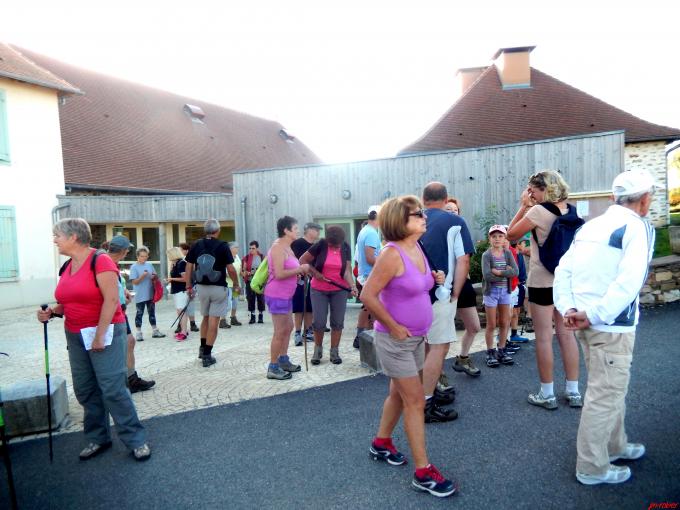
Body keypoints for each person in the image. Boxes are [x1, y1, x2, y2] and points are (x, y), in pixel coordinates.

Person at [554, 170, 656, 485]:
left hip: (587, 320)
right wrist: (594, 314)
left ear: (613, 198)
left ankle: (615, 445)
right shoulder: (637, 226)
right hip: (610, 325)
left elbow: (564, 270)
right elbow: (630, 281)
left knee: (609, 390)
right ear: (645, 200)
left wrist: (569, 308)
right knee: (605, 394)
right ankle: (591, 467)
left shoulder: (592, 225)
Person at [361, 196, 455, 498]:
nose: (424, 217)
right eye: (418, 214)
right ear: (401, 221)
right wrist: (393, 325)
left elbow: (418, 284)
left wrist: (434, 278)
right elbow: (367, 295)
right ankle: (423, 472)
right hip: (396, 340)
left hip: (416, 337)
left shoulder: (417, 248)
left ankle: (381, 443)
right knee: (415, 401)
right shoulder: (391, 253)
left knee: (397, 395)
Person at [37, 218, 150, 461]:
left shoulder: (101, 261)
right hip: (75, 335)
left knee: (112, 389)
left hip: (105, 332)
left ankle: (135, 440)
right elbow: (68, 301)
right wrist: (52, 312)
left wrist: (99, 335)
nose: (54, 240)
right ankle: (98, 437)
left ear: (73, 237)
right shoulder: (67, 266)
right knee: (86, 389)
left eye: (57, 235)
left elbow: (111, 300)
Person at [507, 170, 581, 410]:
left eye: (533, 190)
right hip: (566, 281)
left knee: (543, 337)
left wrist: (523, 207)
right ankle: (573, 391)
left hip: (543, 281)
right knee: (566, 334)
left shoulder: (538, 211)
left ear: (542, 189)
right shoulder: (571, 210)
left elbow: (511, 234)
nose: (531, 195)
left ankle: (547, 393)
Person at [420, 182, 475, 423]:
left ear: (424, 199)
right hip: (440, 291)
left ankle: (423, 393)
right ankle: (426, 401)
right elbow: (463, 260)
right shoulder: (456, 222)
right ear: (445, 199)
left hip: (414, 292)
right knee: (439, 345)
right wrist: (455, 292)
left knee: (424, 344)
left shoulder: (412, 219)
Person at [184, 219, 240, 368]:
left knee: (205, 318)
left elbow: (189, 266)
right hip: (218, 288)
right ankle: (207, 355)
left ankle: (202, 348)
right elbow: (231, 269)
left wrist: (189, 286)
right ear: (218, 231)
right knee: (214, 321)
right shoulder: (223, 246)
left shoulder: (196, 244)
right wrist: (236, 283)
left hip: (201, 287)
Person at [300, 226, 358, 365]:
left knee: (338, 322)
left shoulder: (345, 247)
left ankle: (334, 351)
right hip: (318, 289)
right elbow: (303, 260)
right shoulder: (320, 245)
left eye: (337, 244)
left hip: (339, 290)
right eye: (333, 244)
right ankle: (317, 350)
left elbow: (347, 271)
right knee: (319, 321)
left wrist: (352, 286)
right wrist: (315, 273)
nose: (336, 246)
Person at [105, 236, 156, 393]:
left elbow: (117, 284)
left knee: (129, 342)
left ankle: (130, 378)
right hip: (112, 311)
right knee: (118, 346)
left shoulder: (113, 264)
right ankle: (122, 380)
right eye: (127, 249)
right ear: (122, 250)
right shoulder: (105, 263)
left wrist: (124, 292)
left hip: (120, 309)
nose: (128, 252)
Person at [264, 216, 310, 380]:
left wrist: (299, 273)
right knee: (280, 331)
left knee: (288, 327)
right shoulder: (278, 248)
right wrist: (300, 270)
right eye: (295, 228)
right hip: (277, 295)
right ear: (286, 230)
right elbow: (279, 274)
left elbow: (288, 270)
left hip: (286, 295)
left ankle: (283, 360)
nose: (298, 231)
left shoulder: (288, 247)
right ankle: (273, 366)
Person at [444, 198, 482, 380]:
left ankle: (463, 358)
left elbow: (465, 259)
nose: (452, 212)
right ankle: (437, 373)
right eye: (448, 209)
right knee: (442, 334)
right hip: (442, 285)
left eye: (455, 210)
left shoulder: (461, 230)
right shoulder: (434, 231)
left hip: (463, 283)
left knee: (474, 326)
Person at [481, 225, 518, 367]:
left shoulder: (507, 254)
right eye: (494, 236)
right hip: (491, 293)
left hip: (505, 293)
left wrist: (499, 273)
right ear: (490, 239)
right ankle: (490, 352)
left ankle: (501, 349)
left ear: (505, 239)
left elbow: (515, 271)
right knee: (491, 324)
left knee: (504, 322)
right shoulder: (487, 255)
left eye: (500, 236)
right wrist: (505, 272)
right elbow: (487, 276)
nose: (497, 239)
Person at [353, 206, 381, 349]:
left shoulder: (366, 231)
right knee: (372, 308)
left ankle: (365, 336)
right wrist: (387, 264)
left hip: (367, 274)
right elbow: (370, 258)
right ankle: (363, 336)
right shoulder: (371, 233)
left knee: (369, 307)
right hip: (371, 275)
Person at [291, 222, 321, 345]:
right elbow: (292, 260)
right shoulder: (297, 243)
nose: (318, 232)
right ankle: (297, 332)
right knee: (299, 307)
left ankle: (308, 331)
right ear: (308, 230)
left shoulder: (315, 245)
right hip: (299, 280)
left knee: (310, 306)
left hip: (313, 280)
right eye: (316, 230)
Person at [129, 246, 165, 341]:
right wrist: (143, 276)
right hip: (140, 294)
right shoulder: (134, 267)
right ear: (137, 256)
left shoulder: (149, 265)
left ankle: (155, 331)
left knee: (152, 313)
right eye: (142, 256)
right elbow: (134, 282)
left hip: (150, 293)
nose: (144, 258)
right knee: (139, 313)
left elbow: (155, 276)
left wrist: (154, 276)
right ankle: (138, 333)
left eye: (145, 256)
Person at [166, 246, 189, 341]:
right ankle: (183, 330)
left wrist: (171, 279)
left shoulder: (181, 263)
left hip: (181, 290)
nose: (168, 256)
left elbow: (185, 278)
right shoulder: (175, 264)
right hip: (176, 290)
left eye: (169, 254)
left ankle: (184, 331)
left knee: (182, 311)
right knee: (180, 311)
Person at [219, 242, 243, 328]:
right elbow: (223, 271)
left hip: (236, 284)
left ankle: (233, 318)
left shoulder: (237, 257)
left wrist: (243, 273)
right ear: (230, 249)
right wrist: (231, 275)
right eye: (236, 247)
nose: (237, 249)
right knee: (227, 303)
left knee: (235, 302)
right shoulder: (224, 258)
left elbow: (239, 269)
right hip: (227, 284)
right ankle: (222, 320)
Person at [242, 240, 266, 324]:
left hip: (260, 282)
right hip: (250, 281)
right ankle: (252, 316)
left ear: (257, 248)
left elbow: (266, 269)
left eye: (253, 248)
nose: (251, 250)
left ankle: (260, 316)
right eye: (250, 248)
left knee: (260, 298)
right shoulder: (247, 257)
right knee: (250, 298)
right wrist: (247, 273)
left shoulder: (262, 257)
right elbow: (243, 270)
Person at [179, 242, 199, 333]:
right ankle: (181, 325)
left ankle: (192, 323)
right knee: (182, 306)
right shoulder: (182, 261)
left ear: (187, 250)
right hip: (183, 287)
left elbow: (193, 273)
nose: (181, 251)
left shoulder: (190, 261)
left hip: (191, 284)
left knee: (190, 305)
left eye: (182, 250)